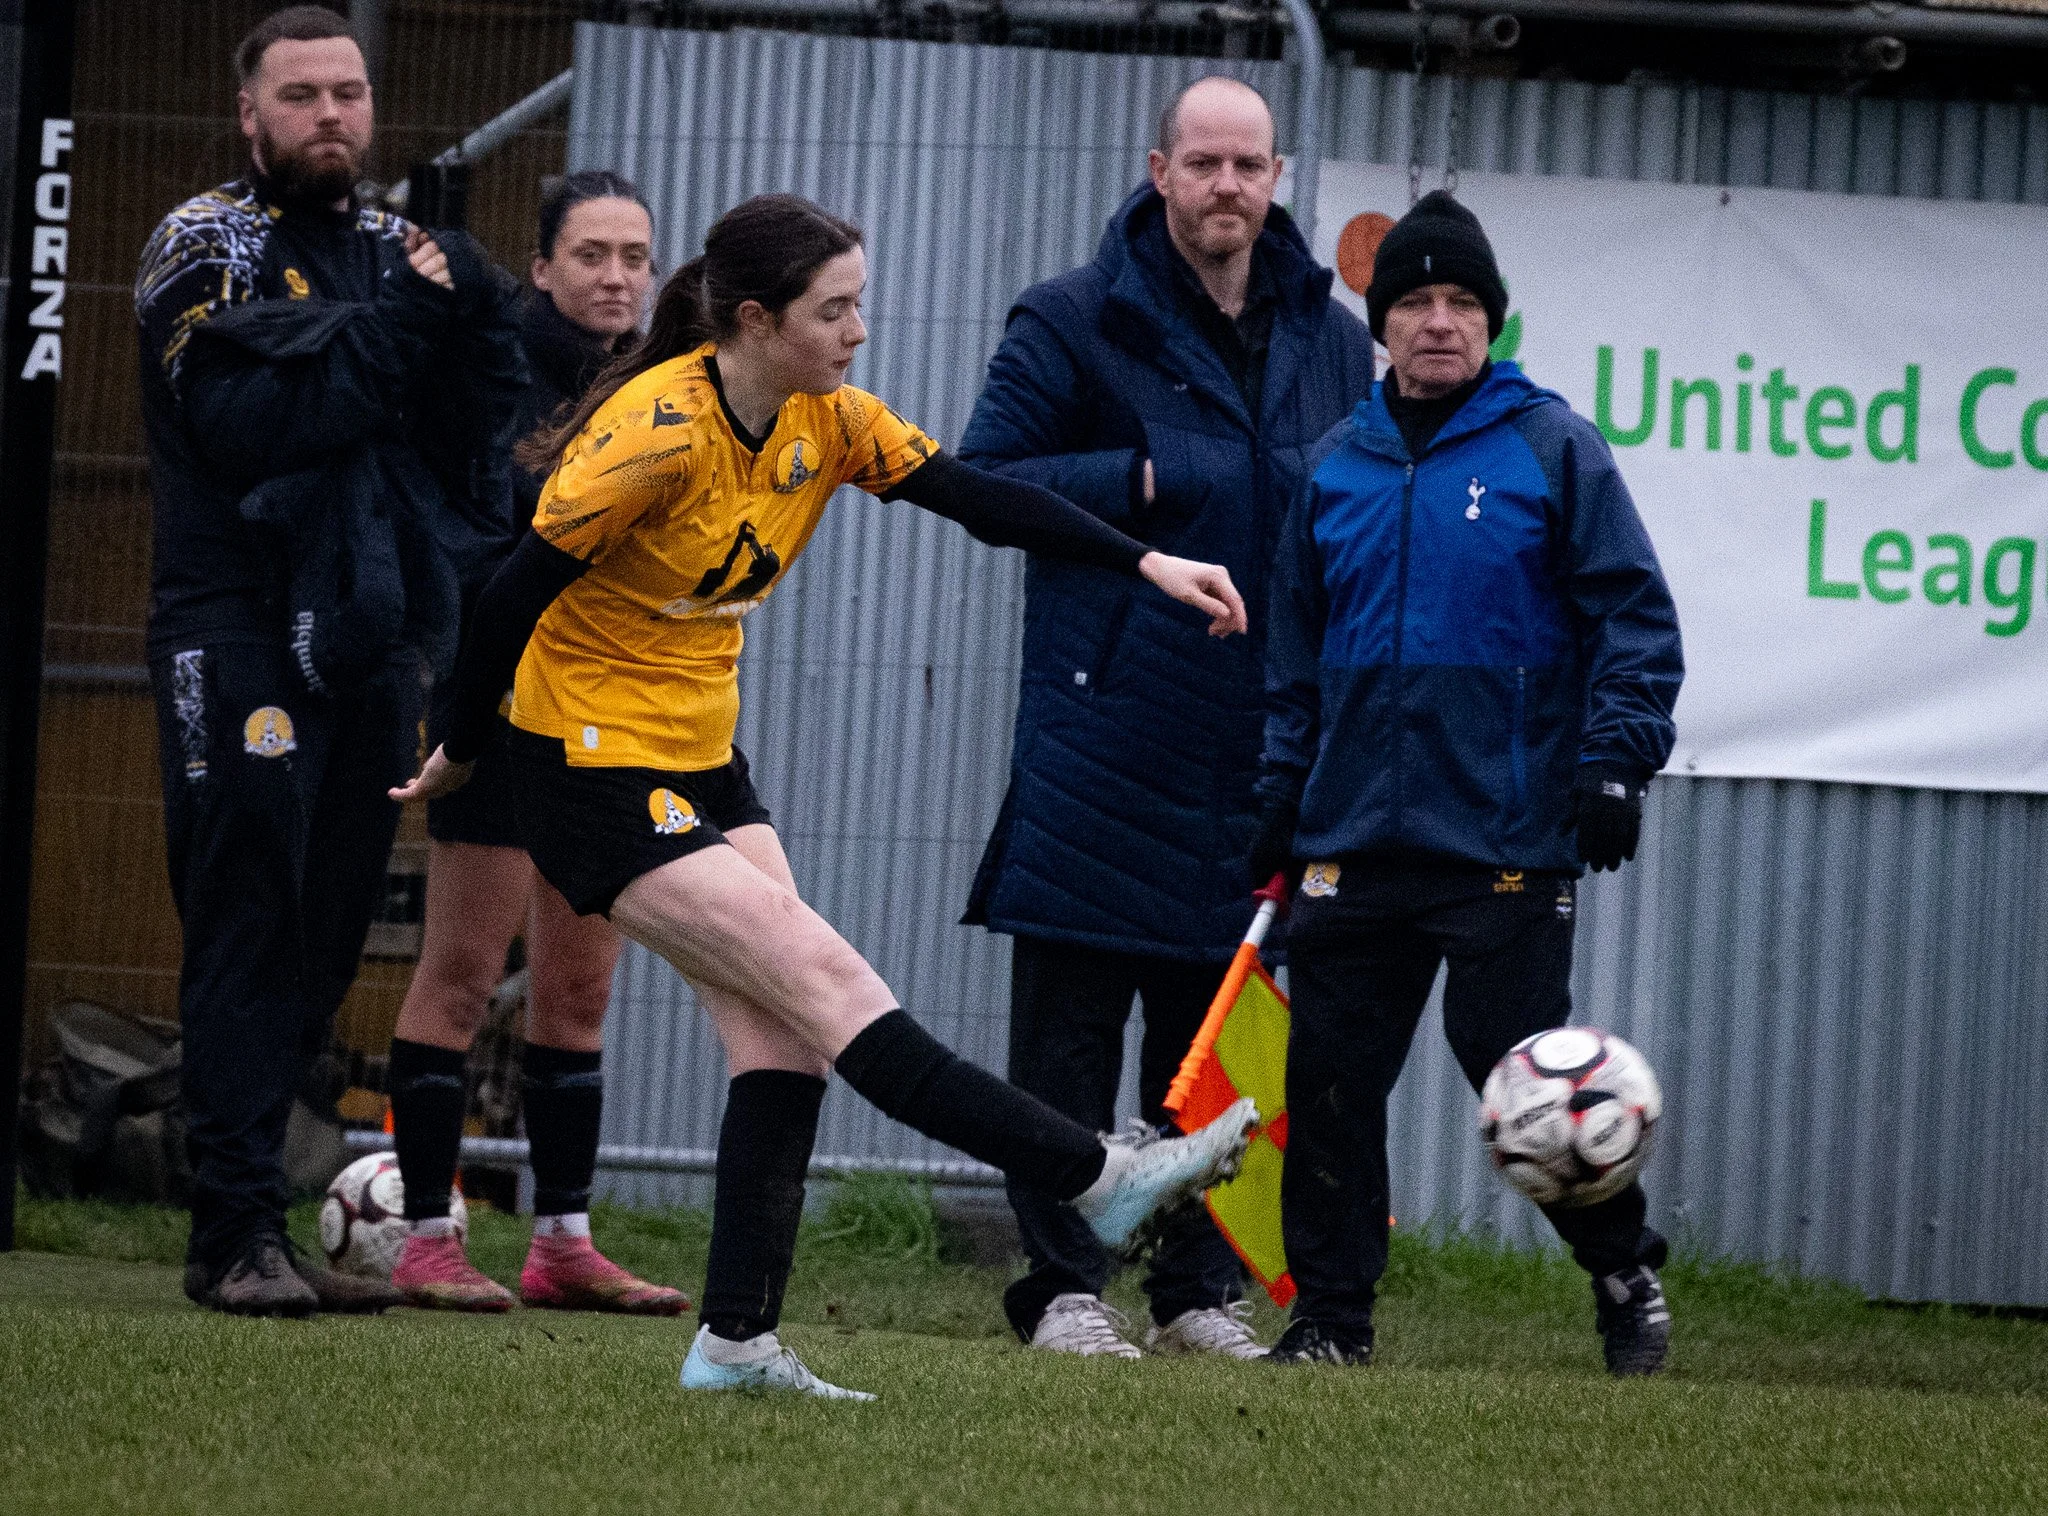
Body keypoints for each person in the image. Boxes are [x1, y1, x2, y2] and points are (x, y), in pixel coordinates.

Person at [392, 192, 1261, 1399]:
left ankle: (735, 1341)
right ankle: (1093, 1174)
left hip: (698, 757)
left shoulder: (825, 421)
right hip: (585, 766)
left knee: (787, 1038)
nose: (859, 330)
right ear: (755, 319)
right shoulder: (652, 434)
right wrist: (461, 750)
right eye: (834, 309)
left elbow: (974, 496)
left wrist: (1145, 558)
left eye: (859, 303)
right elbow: (504, 598)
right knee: (833, 982)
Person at [957, 76, 1374, 1359]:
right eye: (1202, 164)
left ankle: (1197, 1293)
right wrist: (1134, 475)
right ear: (1157, 171)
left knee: (1217, 1049)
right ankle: (1062, 1287)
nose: (1226, 189)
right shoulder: (1074, 318)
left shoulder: (1330, 335)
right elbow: (978, 479)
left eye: (1248, 166)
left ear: (1278, 177)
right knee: (1068, 1043)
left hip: (1254, 745)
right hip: (1102, 731)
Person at [1251, 191, 1685, 1375]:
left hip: (1501, 833)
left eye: (1459, 303)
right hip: (1351, 836)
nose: (1437, 322)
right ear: (1379, 323)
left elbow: (1632, 624)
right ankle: (1330, 1323)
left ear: (1490, 322)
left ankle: (1620, 1264)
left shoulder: (1551, 446)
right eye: (1413, 303)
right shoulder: (1333, 467)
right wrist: (1277, 798)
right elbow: (1294, 663)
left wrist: (1612, 760)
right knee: (1329, 1088)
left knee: (1524, 1091)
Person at [133, 5, 523, 1317]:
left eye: (348, 93)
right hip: (231, 623)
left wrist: (458, 318)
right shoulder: (203, 242)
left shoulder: (390, 254)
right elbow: (252, 425)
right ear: (250, 115)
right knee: (246, 908)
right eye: (301, 96)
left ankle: (266, 1224)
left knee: (329, 925)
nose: (331, 117)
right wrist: (412, 326)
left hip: (364, 631)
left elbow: (470, 430)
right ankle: (230, 1235)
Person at [384, 172, 682, 1314]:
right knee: (460, 974)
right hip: (500, 708)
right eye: (592, 255)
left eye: (634, 256)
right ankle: (424, 1236)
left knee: (578, 988)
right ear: (544, 267)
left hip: (613, 719)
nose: (615, 277)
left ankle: (563, 1243)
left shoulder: (663, 385)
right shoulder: (494, 368)